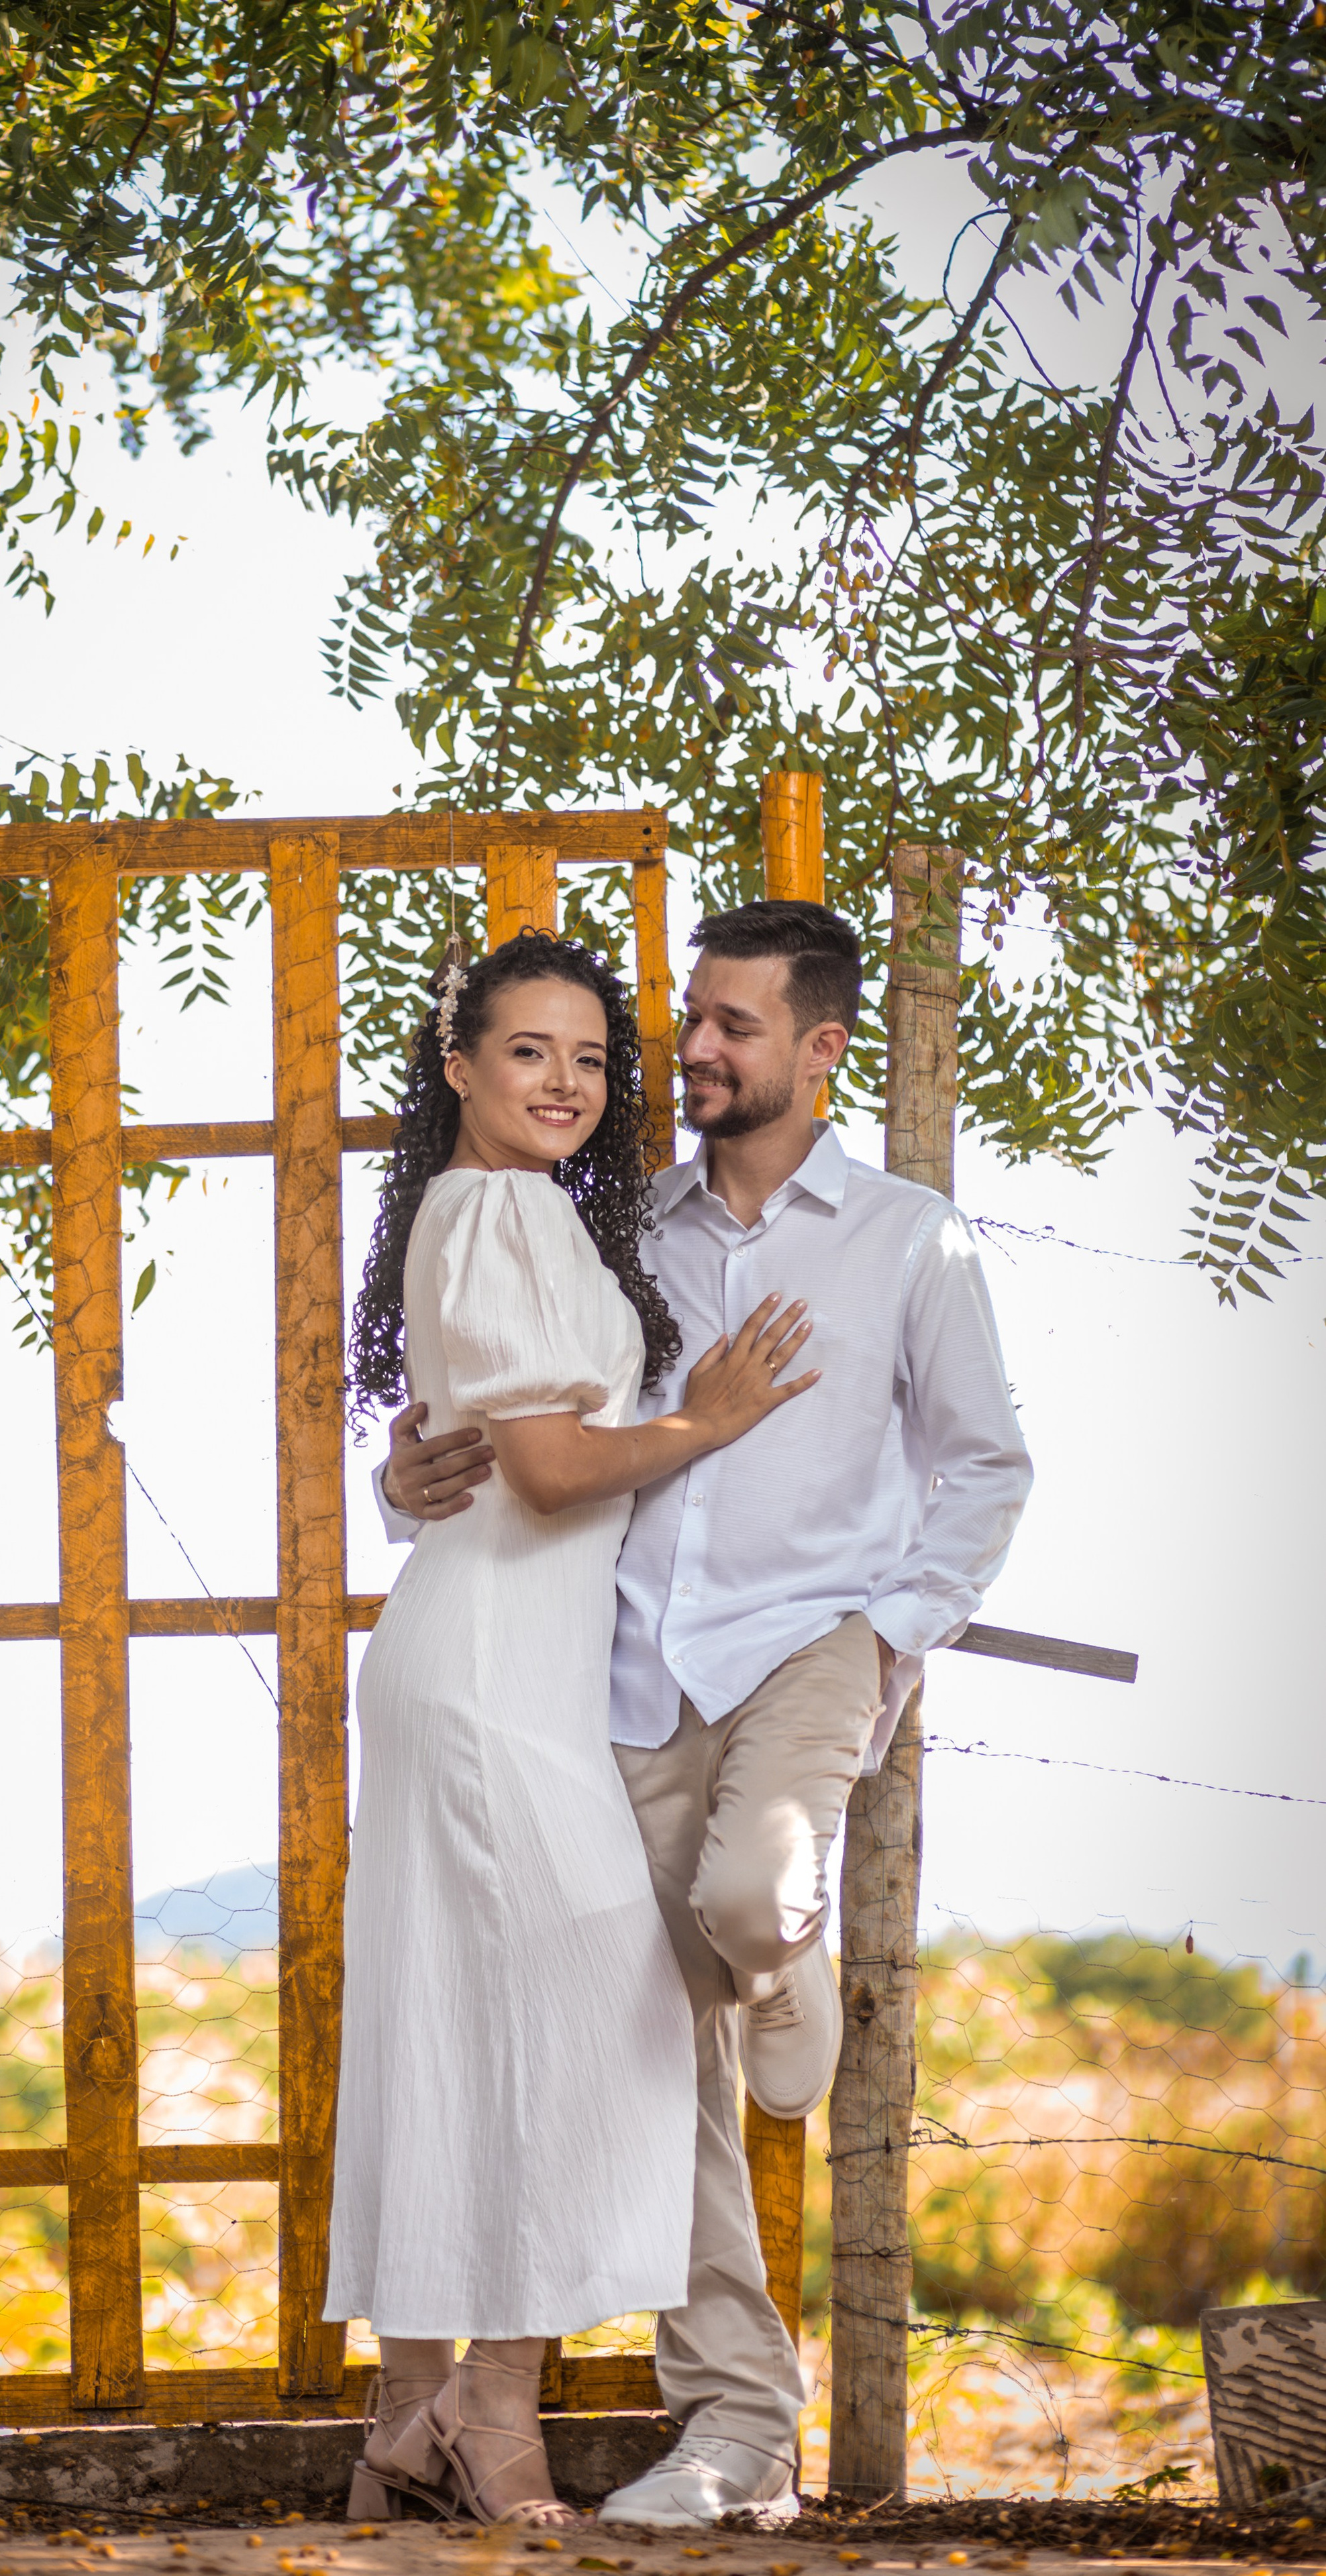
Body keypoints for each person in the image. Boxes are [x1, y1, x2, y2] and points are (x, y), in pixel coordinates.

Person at [380, 898, 1034, 2529]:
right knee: (648, 2062)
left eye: (730, 1027)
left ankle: (777, 1941)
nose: (691, 1054)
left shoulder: (908, 1240)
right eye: (685, 1024)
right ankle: (734, 2432)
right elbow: (514, 1419)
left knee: (752, 1890)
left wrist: (890, 1638)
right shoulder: (626, 1222)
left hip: (809, 1642)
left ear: (819, 1049)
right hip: (615, 1666)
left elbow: (982, 1468)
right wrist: (404, 1476)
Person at [328, 927, 821, 2532]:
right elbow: (542, 1474)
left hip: (494, 1662)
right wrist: (708, 1418)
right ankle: (492, 2409)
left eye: (591, 1058)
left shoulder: (515, 1215)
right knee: (594, 2012)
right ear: (458, 1068)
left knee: (452, 2026)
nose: (563, 1081)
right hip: (481, 1679)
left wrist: (417, 1475)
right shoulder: (493, 1209)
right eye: (525, 1051)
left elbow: (483, 1457)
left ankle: (412, 2411)